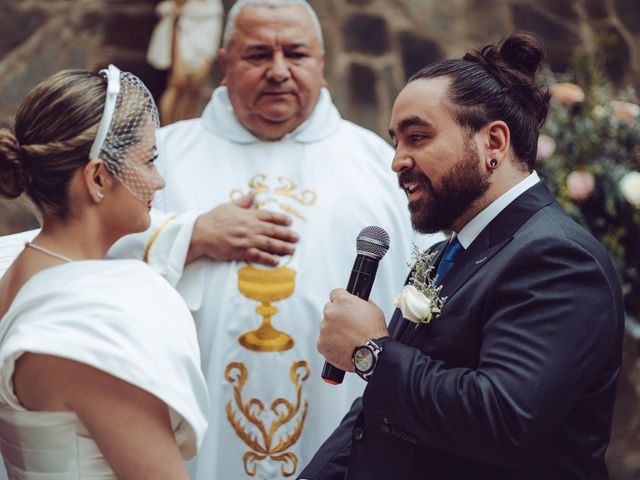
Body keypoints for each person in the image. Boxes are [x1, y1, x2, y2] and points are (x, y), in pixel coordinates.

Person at [111, 0, 443, 478]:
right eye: (257, 55)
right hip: (196, 427)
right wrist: (189, 235)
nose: (279, 71)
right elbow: (95, 257)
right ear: (225, 65)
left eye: (296, 53)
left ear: (321, 65)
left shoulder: (377, 165)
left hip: (341, 415)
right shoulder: (163, 157)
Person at [300, 33, 624, 479]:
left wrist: (371, 351)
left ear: (493, 142)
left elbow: (503, 420)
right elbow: (378, 415)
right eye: (396, 142)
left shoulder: (559, 259)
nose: (397, 161)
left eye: (417, 137)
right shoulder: (442, 255)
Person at [0, 66, 208, 479]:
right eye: (148, 160)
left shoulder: (18, 272)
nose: (159, 179)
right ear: (97, 177)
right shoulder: (87, 326)